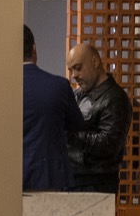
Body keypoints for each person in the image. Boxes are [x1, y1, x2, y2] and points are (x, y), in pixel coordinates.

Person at [22, 25, 83, 191]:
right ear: (34, 49)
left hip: (10, 178)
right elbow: (77, 125)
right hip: (51, 176)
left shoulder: (1, 90)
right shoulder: (59, 86)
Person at [65, 42, 132, 195]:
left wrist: (71, 135)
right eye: (71, 70)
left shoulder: (116, 99)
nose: (74, 75)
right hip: (73, 179)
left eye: (78, 68)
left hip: (97, 184)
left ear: (95, 62)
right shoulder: (77, 95)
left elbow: (109, 145)